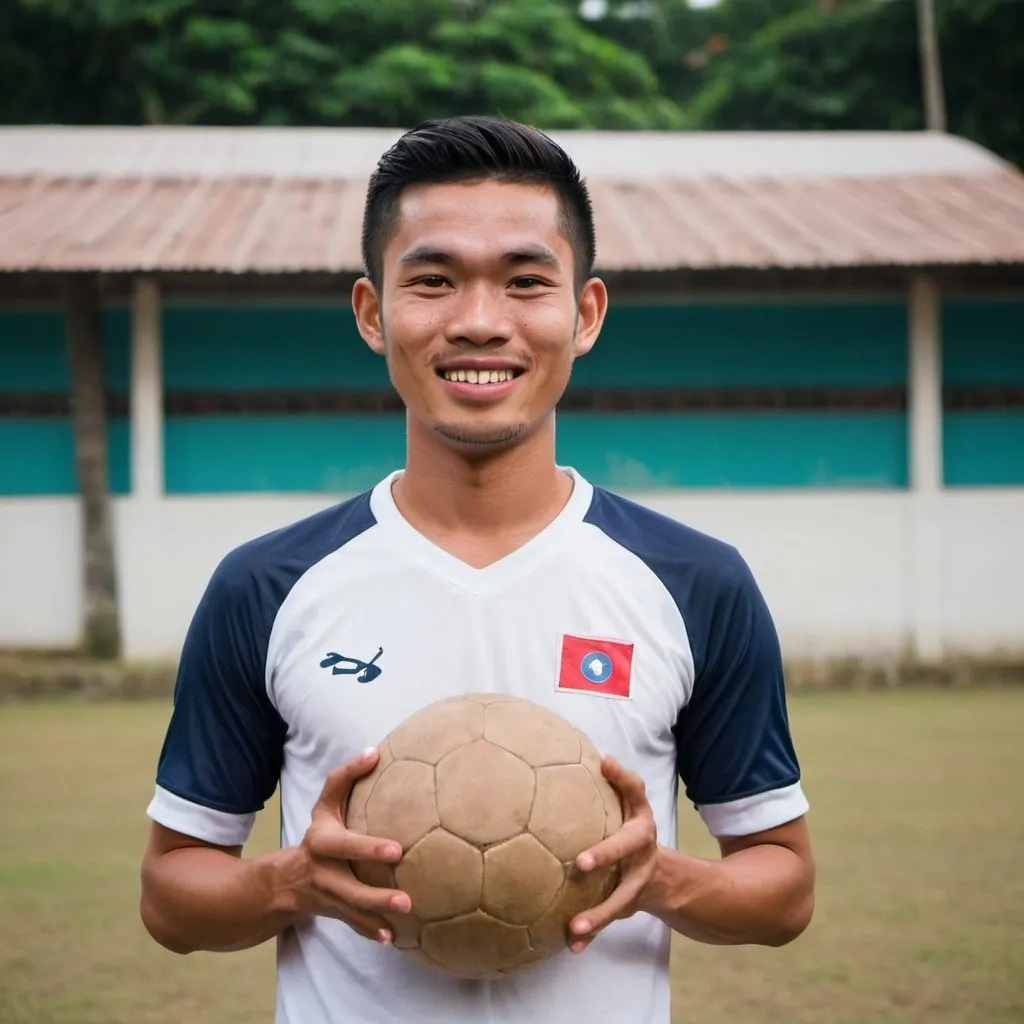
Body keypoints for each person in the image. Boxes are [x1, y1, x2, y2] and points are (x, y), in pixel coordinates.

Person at [140, 114, 815, 1024]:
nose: (479, 322)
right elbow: (171, 895)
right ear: (374, 314)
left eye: (526, 282)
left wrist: (661, 879)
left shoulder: (696, 583)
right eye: (433, 280)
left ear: (584, 314)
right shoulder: (266, 587)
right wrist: (291, 881)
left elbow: (784, 887)